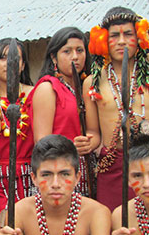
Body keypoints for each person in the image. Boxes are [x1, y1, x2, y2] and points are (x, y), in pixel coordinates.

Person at [84, 7, 149, 212]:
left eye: (128, 34)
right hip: (111, 166)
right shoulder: (92, 82)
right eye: (114, 36)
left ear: (140, 37)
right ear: (104, 40)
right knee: (115, 229)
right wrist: (85, 142)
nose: (122, 41)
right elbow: (94, 133)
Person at [30, 27, 99, 197]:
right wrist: (70, 147)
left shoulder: (89, 86)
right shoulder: (48, 88)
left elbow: (94, 131)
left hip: (86, 173)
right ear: (54, 57)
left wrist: (91, 142)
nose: (75, 57)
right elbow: (42, 141)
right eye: (67, 51)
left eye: (80, 50)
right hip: (58, 172)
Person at [0, 38, 35, 213]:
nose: (8, 63)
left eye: (14, 58)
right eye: (1, 58)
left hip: (31, 175)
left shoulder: (36, 94)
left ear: (23, 65)